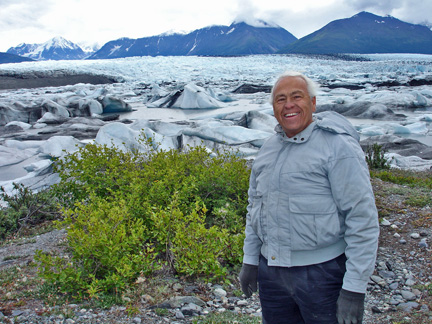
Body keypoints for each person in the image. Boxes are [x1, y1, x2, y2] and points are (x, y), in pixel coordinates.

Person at [239, 71, 379, 324]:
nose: (289, 105)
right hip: (271, 274)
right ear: (273, 109)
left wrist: (354, 287)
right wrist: (250, 260)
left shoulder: (337, 147)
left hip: (323, 274)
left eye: (297, 96)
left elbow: (362, 218)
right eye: (280, 99)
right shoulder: (268, 150)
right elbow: (254, 209)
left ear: (312, 103)